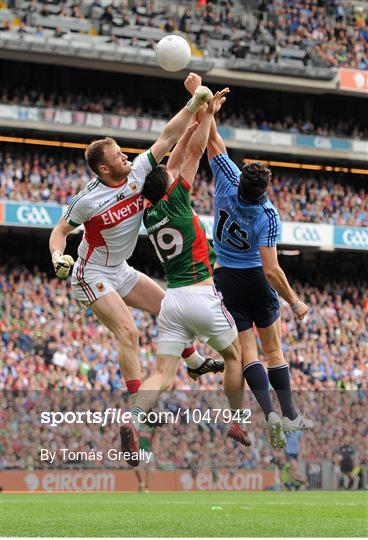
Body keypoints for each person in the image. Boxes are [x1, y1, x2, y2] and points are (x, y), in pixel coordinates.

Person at [49, 76, 223, 406]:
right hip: (92, 274)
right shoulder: (87, 201)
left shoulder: (138, 172)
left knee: (170, 310)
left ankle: (195, 363)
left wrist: (194, 104)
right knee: (129, 332)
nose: (126, 157)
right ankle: (137, 405)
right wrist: (58, 257)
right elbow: (59, 232)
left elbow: (168, 136)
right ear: (103, 168)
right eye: (118, 156)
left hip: (121, 269)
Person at [120, 89, 250, 467]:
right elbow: (191, 154)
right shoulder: (177, 199)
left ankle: (133, 417)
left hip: (173, 302)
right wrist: (206, 112)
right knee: (234, 355)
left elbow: (176, 159)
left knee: (161, 373)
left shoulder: (147, 213)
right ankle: (238, 420)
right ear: (170, 185)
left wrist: (202, 114)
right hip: (201, 295)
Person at [185, 73, 314, 450]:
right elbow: (272, 269)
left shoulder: (227, 180)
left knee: (246, 354)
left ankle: (268, 412)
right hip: (255, 280)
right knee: (273, 351)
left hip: (225, 278)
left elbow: (212, 140)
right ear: (265, 191)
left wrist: (204, 103)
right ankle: (289, 415)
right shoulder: (268, 215)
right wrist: (294, 301)